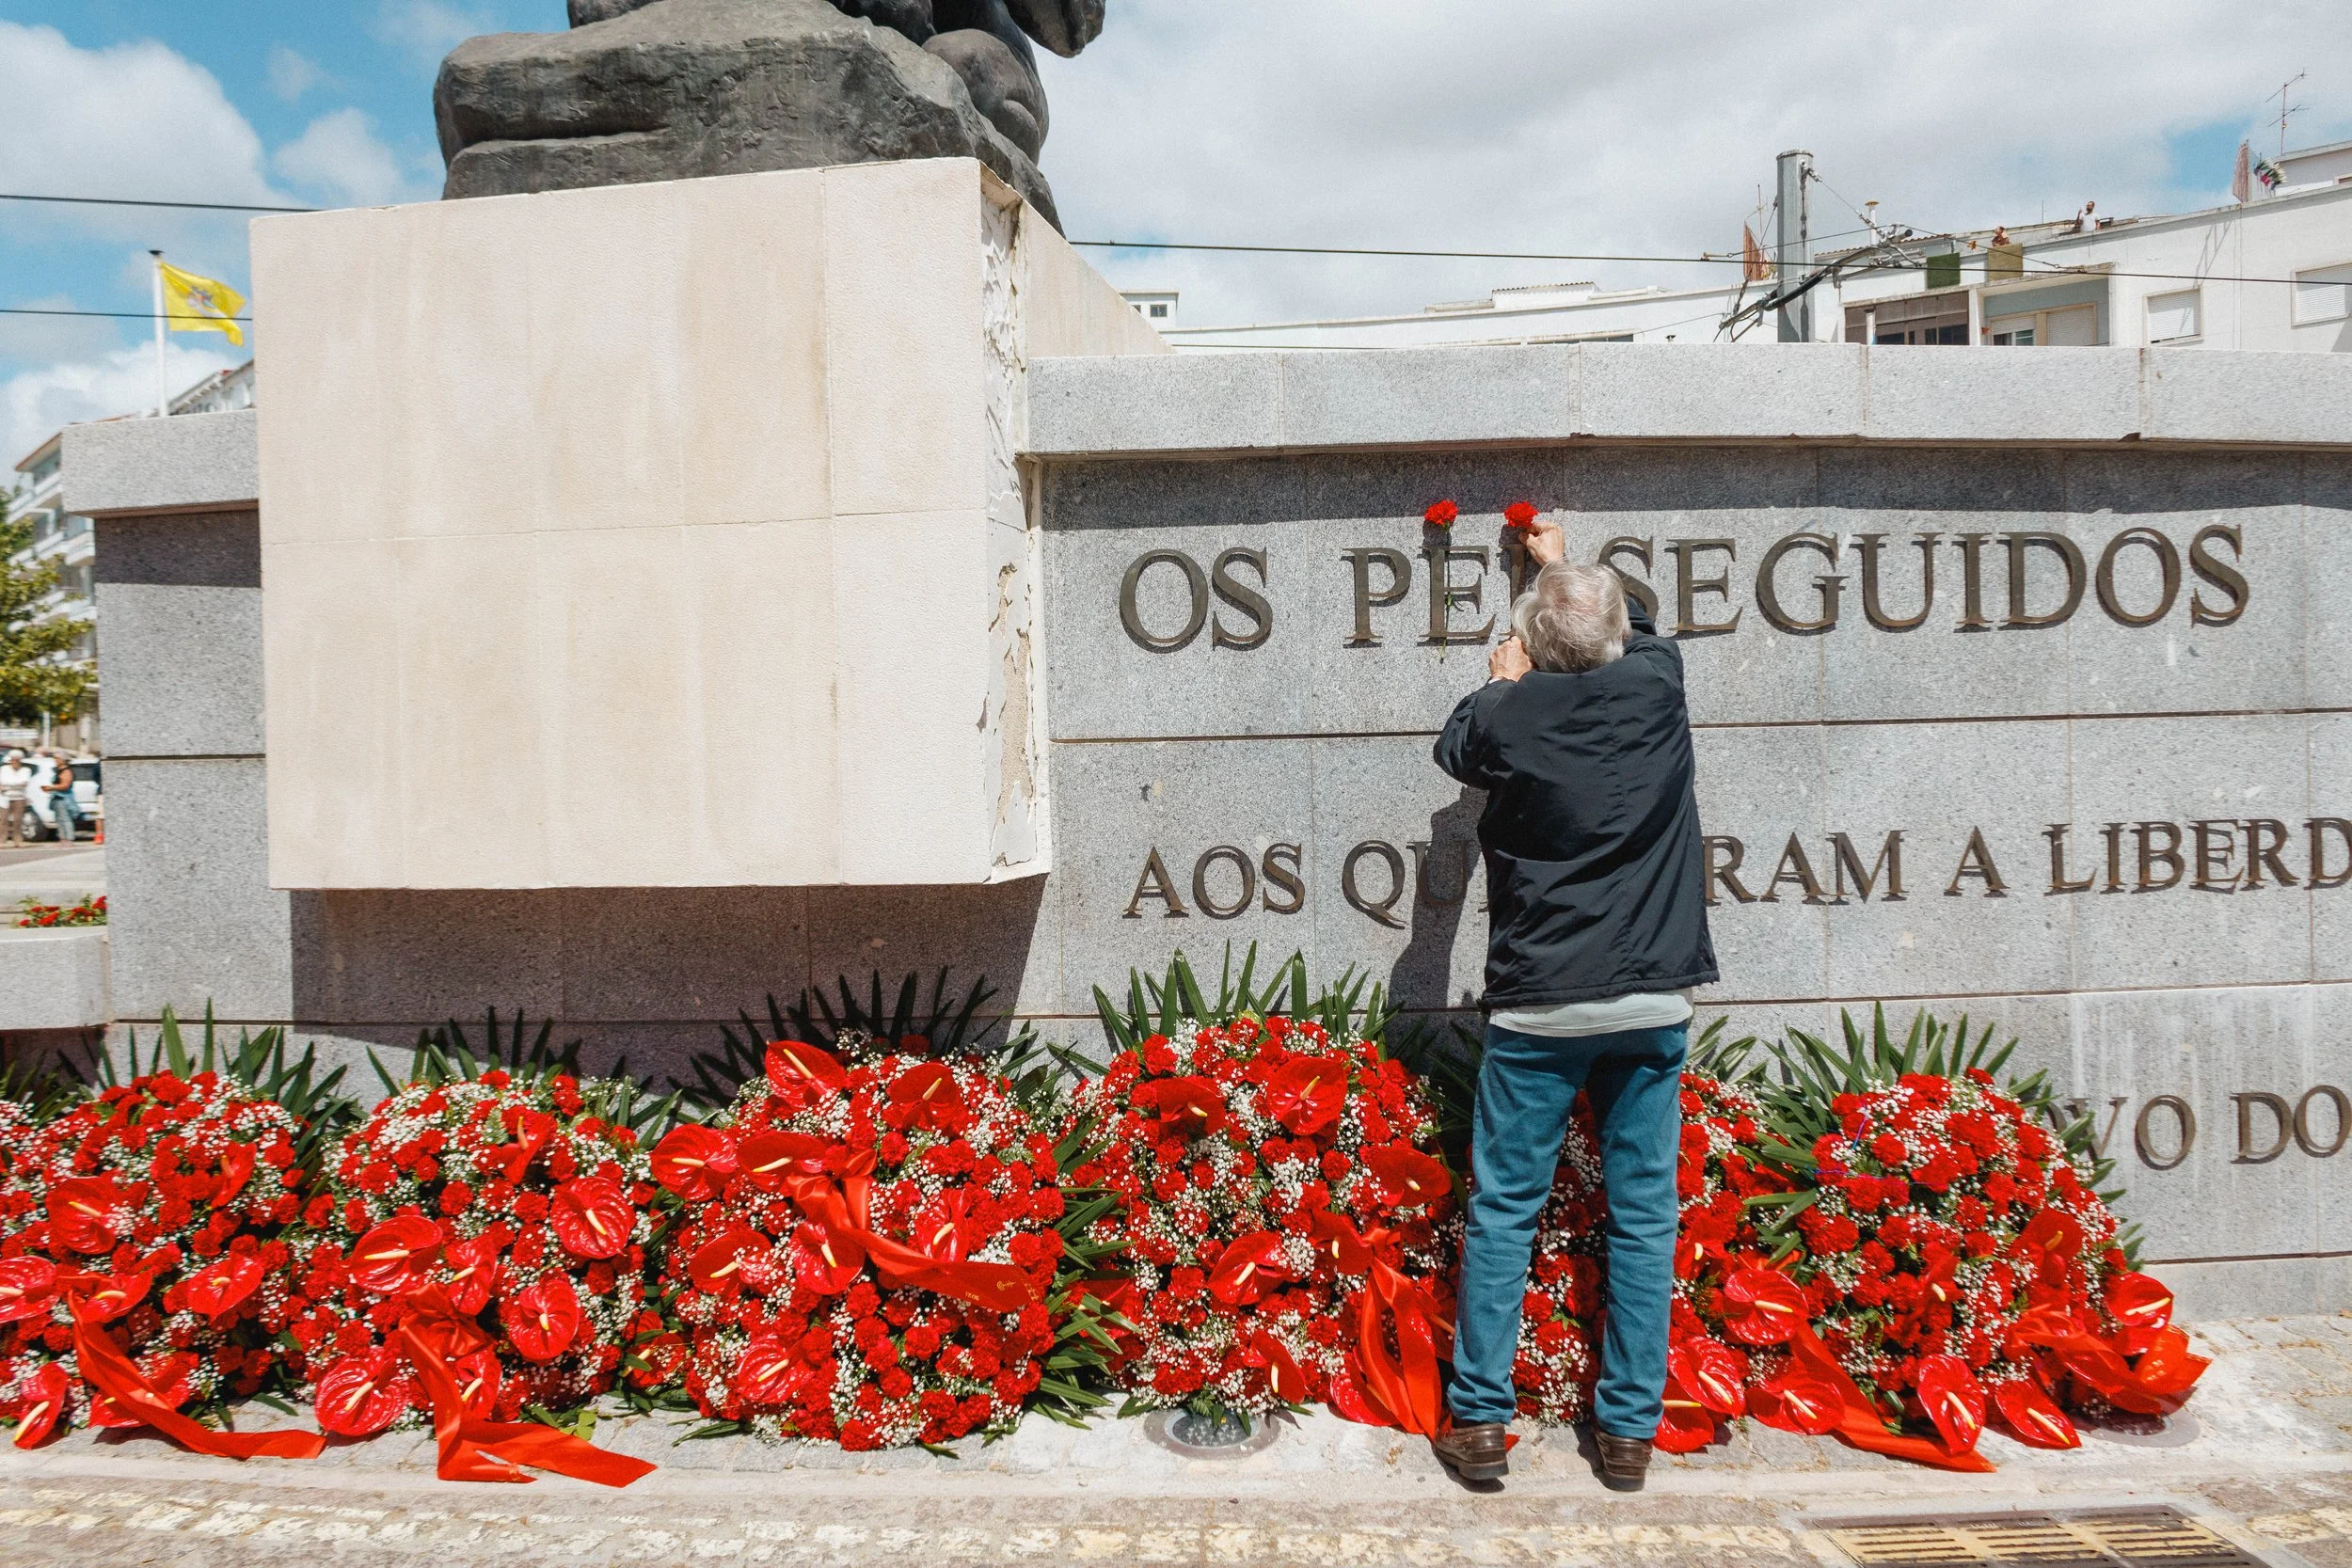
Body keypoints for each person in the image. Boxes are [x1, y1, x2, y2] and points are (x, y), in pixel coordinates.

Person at [1428, 517, 1718, 1493]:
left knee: (1505, 1210)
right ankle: (1627, 1432)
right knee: (1642, 1215)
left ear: (1534, 646)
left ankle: (1479, 1419)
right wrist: (1561, 564)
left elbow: (1455, 745)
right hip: (1649, 997)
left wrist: (1504, 675)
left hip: (1541, 1005)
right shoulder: (1657, 684)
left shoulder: (1506, 717)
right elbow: (1643, 619)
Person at [46, 753, 78, 842]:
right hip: (57, 798)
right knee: (59, 819)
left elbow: (65, 786)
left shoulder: (66, 771)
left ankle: (69, 838)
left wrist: (52, 787)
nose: (55, 760)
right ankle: (62, 838)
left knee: (65, 819)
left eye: (57, 758)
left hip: (63, 798)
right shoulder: (58, 771)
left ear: (63, 760)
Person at [0, 750, 28, 847]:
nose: (15, 762)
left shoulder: (25, 770)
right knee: (3, 820)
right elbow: (2, 781)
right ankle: (2, 840)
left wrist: (8, 785)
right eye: (13, 760)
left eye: (17, 760)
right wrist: (16, 784)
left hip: (19, 797)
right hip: (5, 797)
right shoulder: (4, 769)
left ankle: (18, 840)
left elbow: (24, 783)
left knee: (18, 820)